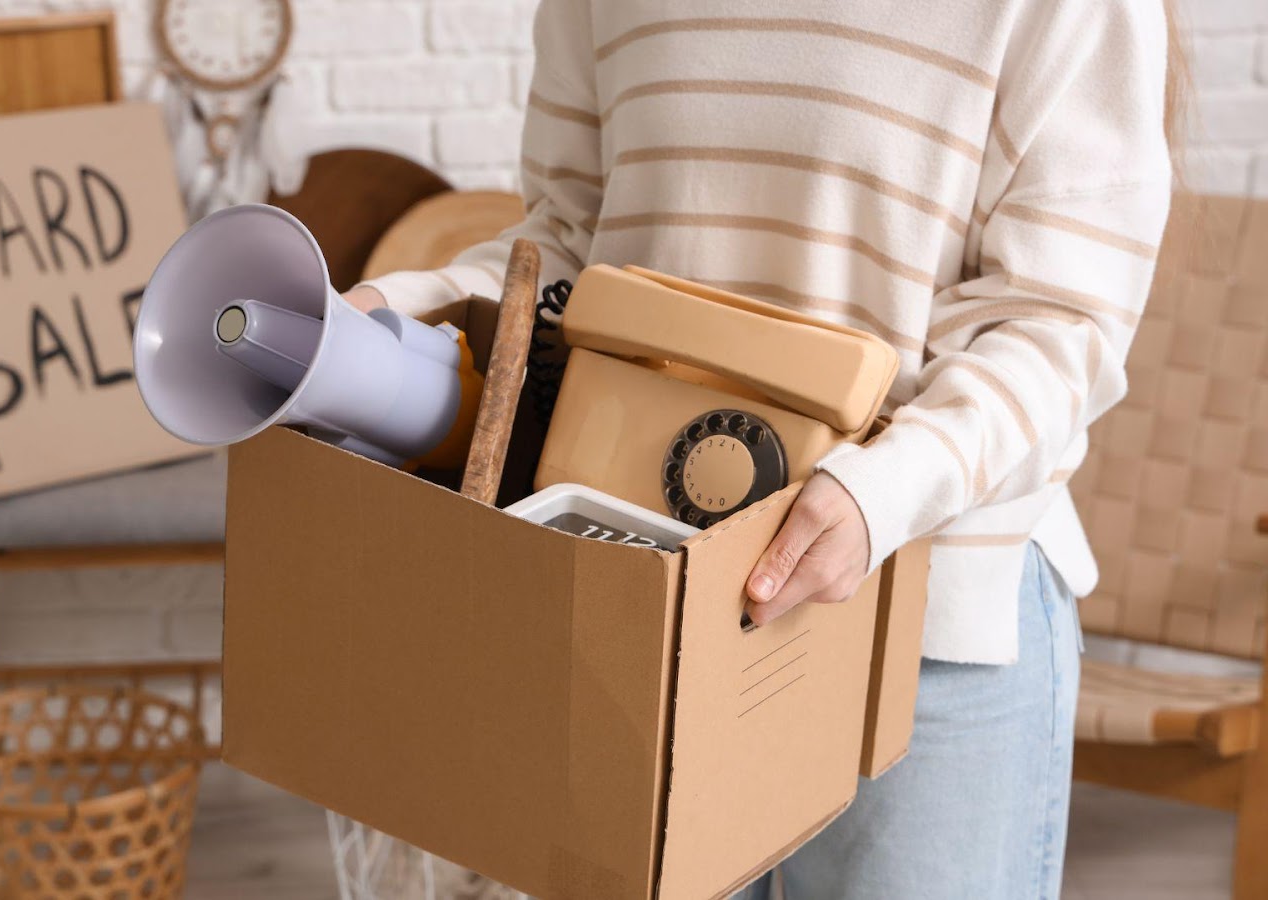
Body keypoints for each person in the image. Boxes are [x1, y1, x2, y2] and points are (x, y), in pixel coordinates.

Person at [345, 2, 1180, 898]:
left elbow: (1060, 319)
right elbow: (567, 246)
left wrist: (883, 493)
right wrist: (392, 315)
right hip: (640, 604)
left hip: (922, 616)